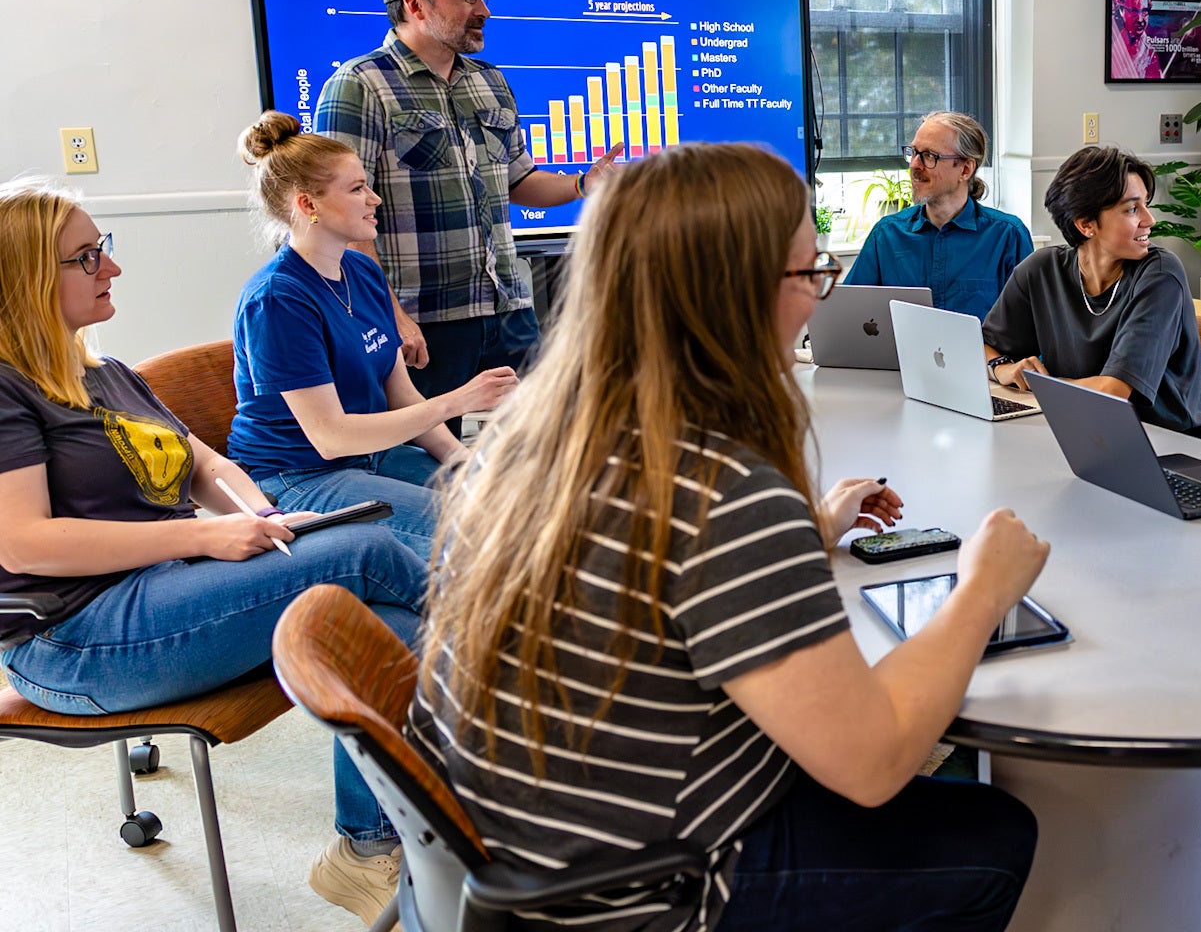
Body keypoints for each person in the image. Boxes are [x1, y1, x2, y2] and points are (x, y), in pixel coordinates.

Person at [409, 143, 1046, 932]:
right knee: (992, 832)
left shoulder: (528, 438)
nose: (817, 298)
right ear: (736, 294)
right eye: (810, 274)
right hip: (648, 892)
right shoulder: (721, 491)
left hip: (519, 847)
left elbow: (649, 579)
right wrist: (983, 588)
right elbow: (874, 762)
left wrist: (806, 532)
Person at [0, 177, 429, 926]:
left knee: (389, 626)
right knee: (368, 551)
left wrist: (263, 515)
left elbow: (206, 465)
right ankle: (530, 721)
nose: (112, 267)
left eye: (104, 248)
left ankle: (367, 849)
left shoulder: (107, 375)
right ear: (26, 279)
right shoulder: (8, 390)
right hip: (75, 639)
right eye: (87, 256)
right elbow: (23, 540)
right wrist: (205, 534)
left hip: (161, 593)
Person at [314, 0, 618, 415]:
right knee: (431, 453)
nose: (483, 10)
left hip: (508, 309)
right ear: (415, 5)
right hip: (423, 320)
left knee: (543, 438)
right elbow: (341, 217)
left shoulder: (490, 81)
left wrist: (583, 184)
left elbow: (518, 180)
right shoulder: (359, 85)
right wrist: (390, 316)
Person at [228, 111, 521, 560]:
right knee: (475, 537)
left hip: (372, 455)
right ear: (307, 205)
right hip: (301, 475)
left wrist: (461, 460)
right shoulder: (277, 299)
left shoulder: (362, 271)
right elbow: (331, 437)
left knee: (517, 504)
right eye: (357, 189)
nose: (375, 198)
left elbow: (400, 393)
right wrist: (458, 401)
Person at [981, 146, 1201, 434]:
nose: (1150, 220)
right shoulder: (1041, 269)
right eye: (1132, 209)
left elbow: (1113, 392)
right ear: (1086, 224)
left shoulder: (1160, 274)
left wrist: (1038, 386)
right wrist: (1001, 368)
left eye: (1145, 204)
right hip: (1081, 427)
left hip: (1169, 440)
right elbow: (981, 346)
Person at [843, 111, 1032, 320]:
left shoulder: (1008, 236)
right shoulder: (886, 235)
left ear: (965, 169)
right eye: (914, 152)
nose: (914, 165)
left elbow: (1030, 326)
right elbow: (849, 314)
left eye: (929, 156)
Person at [1110, 0, 1160, 80]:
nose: (1140, 20)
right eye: (1134, 12)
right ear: (1121, 11)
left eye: (1144, 12)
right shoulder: (1112, 47)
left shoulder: (1150, 55)